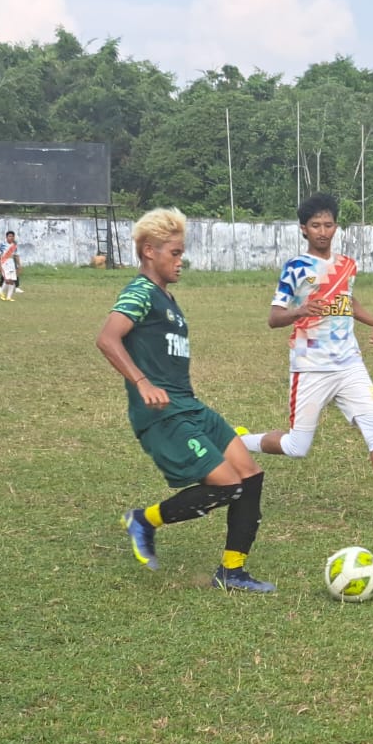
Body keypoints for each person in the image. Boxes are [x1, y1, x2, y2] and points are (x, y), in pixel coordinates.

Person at [96, 207, 275, 592]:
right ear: (149, 252)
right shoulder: (140, 292)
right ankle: (144, 520)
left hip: (189, 405)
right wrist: (142, 382)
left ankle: (232, 572)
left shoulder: (166, 297)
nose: (181, 260)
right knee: (228, 486)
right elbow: (107, 338)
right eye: (174, 253)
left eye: (180, 252)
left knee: (251, 476)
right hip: (162, 414)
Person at [240, 194, 373, 533]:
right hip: (310, 366)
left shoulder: (347, 265)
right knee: (297, 447)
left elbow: (347, 298)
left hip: (349, 365)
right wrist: (300, 310)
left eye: (328, 225)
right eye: (315, 225)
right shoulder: (295, 269)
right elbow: (274, 318)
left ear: (336, 227)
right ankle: (239, 442)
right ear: (303, 229)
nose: (322, 231)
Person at [0, 234, 21, 302]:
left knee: (12, 281)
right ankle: (1, 292)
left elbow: (16, 256)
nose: (11, 237)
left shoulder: (14, 246)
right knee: (7, 280)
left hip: (11, 264)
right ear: (6, 237)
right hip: (4, 263)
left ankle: (9, 297)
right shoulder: (2, 245)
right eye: (9, 236)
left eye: (12, 236)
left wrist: (19, 265)